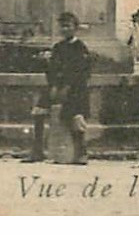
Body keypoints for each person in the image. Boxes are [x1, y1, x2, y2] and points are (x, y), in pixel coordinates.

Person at [27, 12, 90, 165]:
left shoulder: (80, 47)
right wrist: (53, 83)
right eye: (62, 26)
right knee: (38, 111)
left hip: (75, 89)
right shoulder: (58, 47)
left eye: (68, 26)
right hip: (56, 86)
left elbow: (81, 72)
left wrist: (67, 87)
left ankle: (81, 153)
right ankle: (38, 150)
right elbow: (53, 69)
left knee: (75, 116)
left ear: (75, 28)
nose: (65, 29)